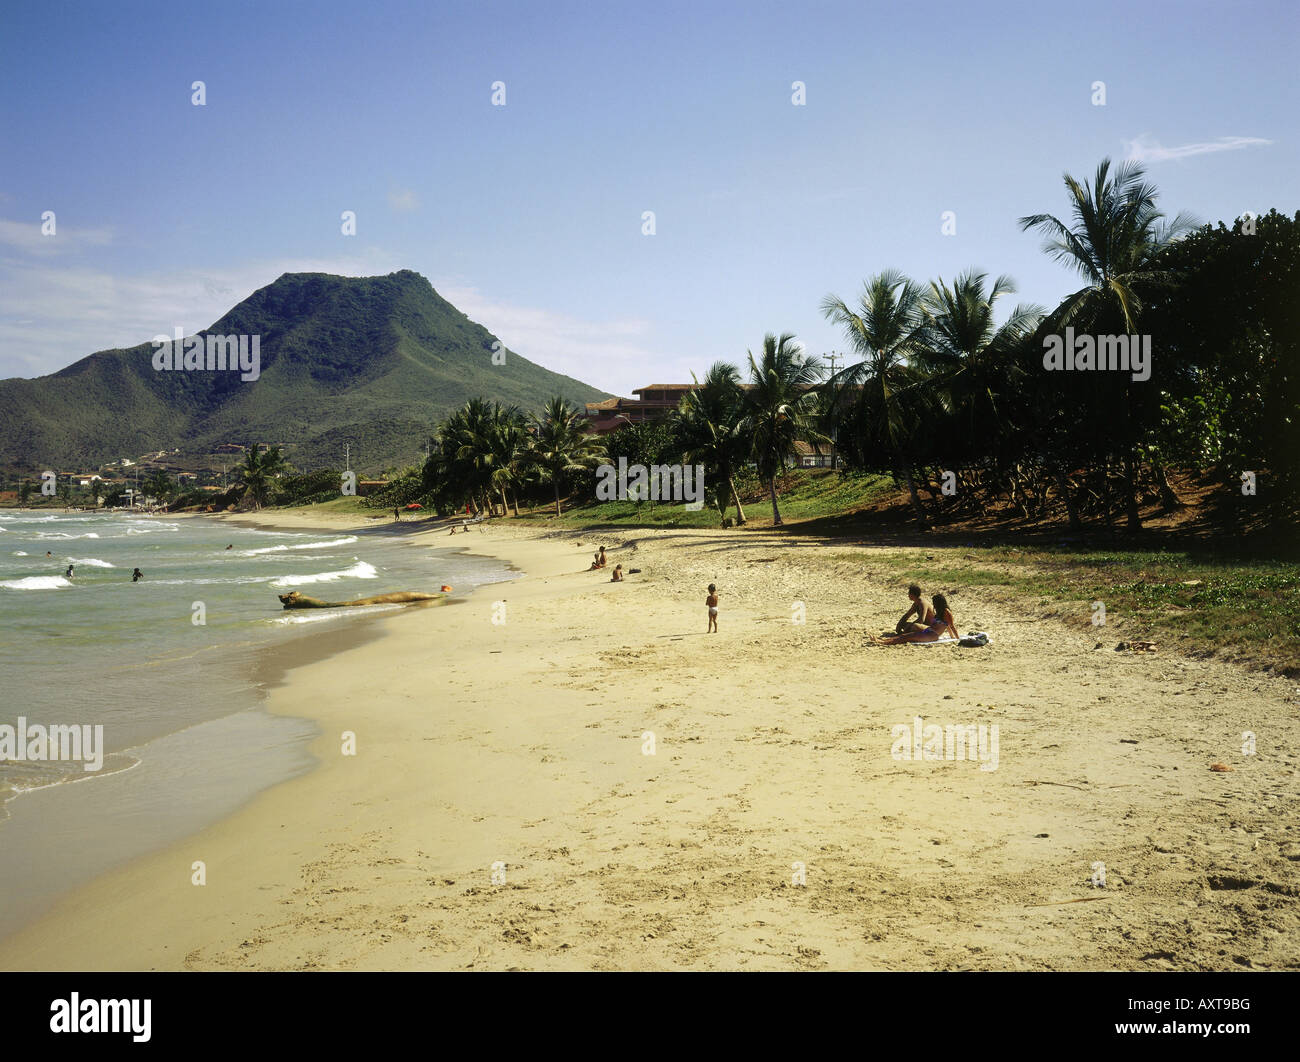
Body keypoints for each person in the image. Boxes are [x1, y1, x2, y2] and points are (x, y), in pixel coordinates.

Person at [872, 592, 957, 644]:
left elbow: (951, 626)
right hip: (929, 630)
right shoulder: (940, 612)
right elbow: (948, 625)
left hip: (933, 635)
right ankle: (883, 640)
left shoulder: (947, 612)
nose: (933, 604)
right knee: (906, 635)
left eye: (934, 602)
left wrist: (956, 638)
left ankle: (883, 642)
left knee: (908, 637)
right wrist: (951, 637)